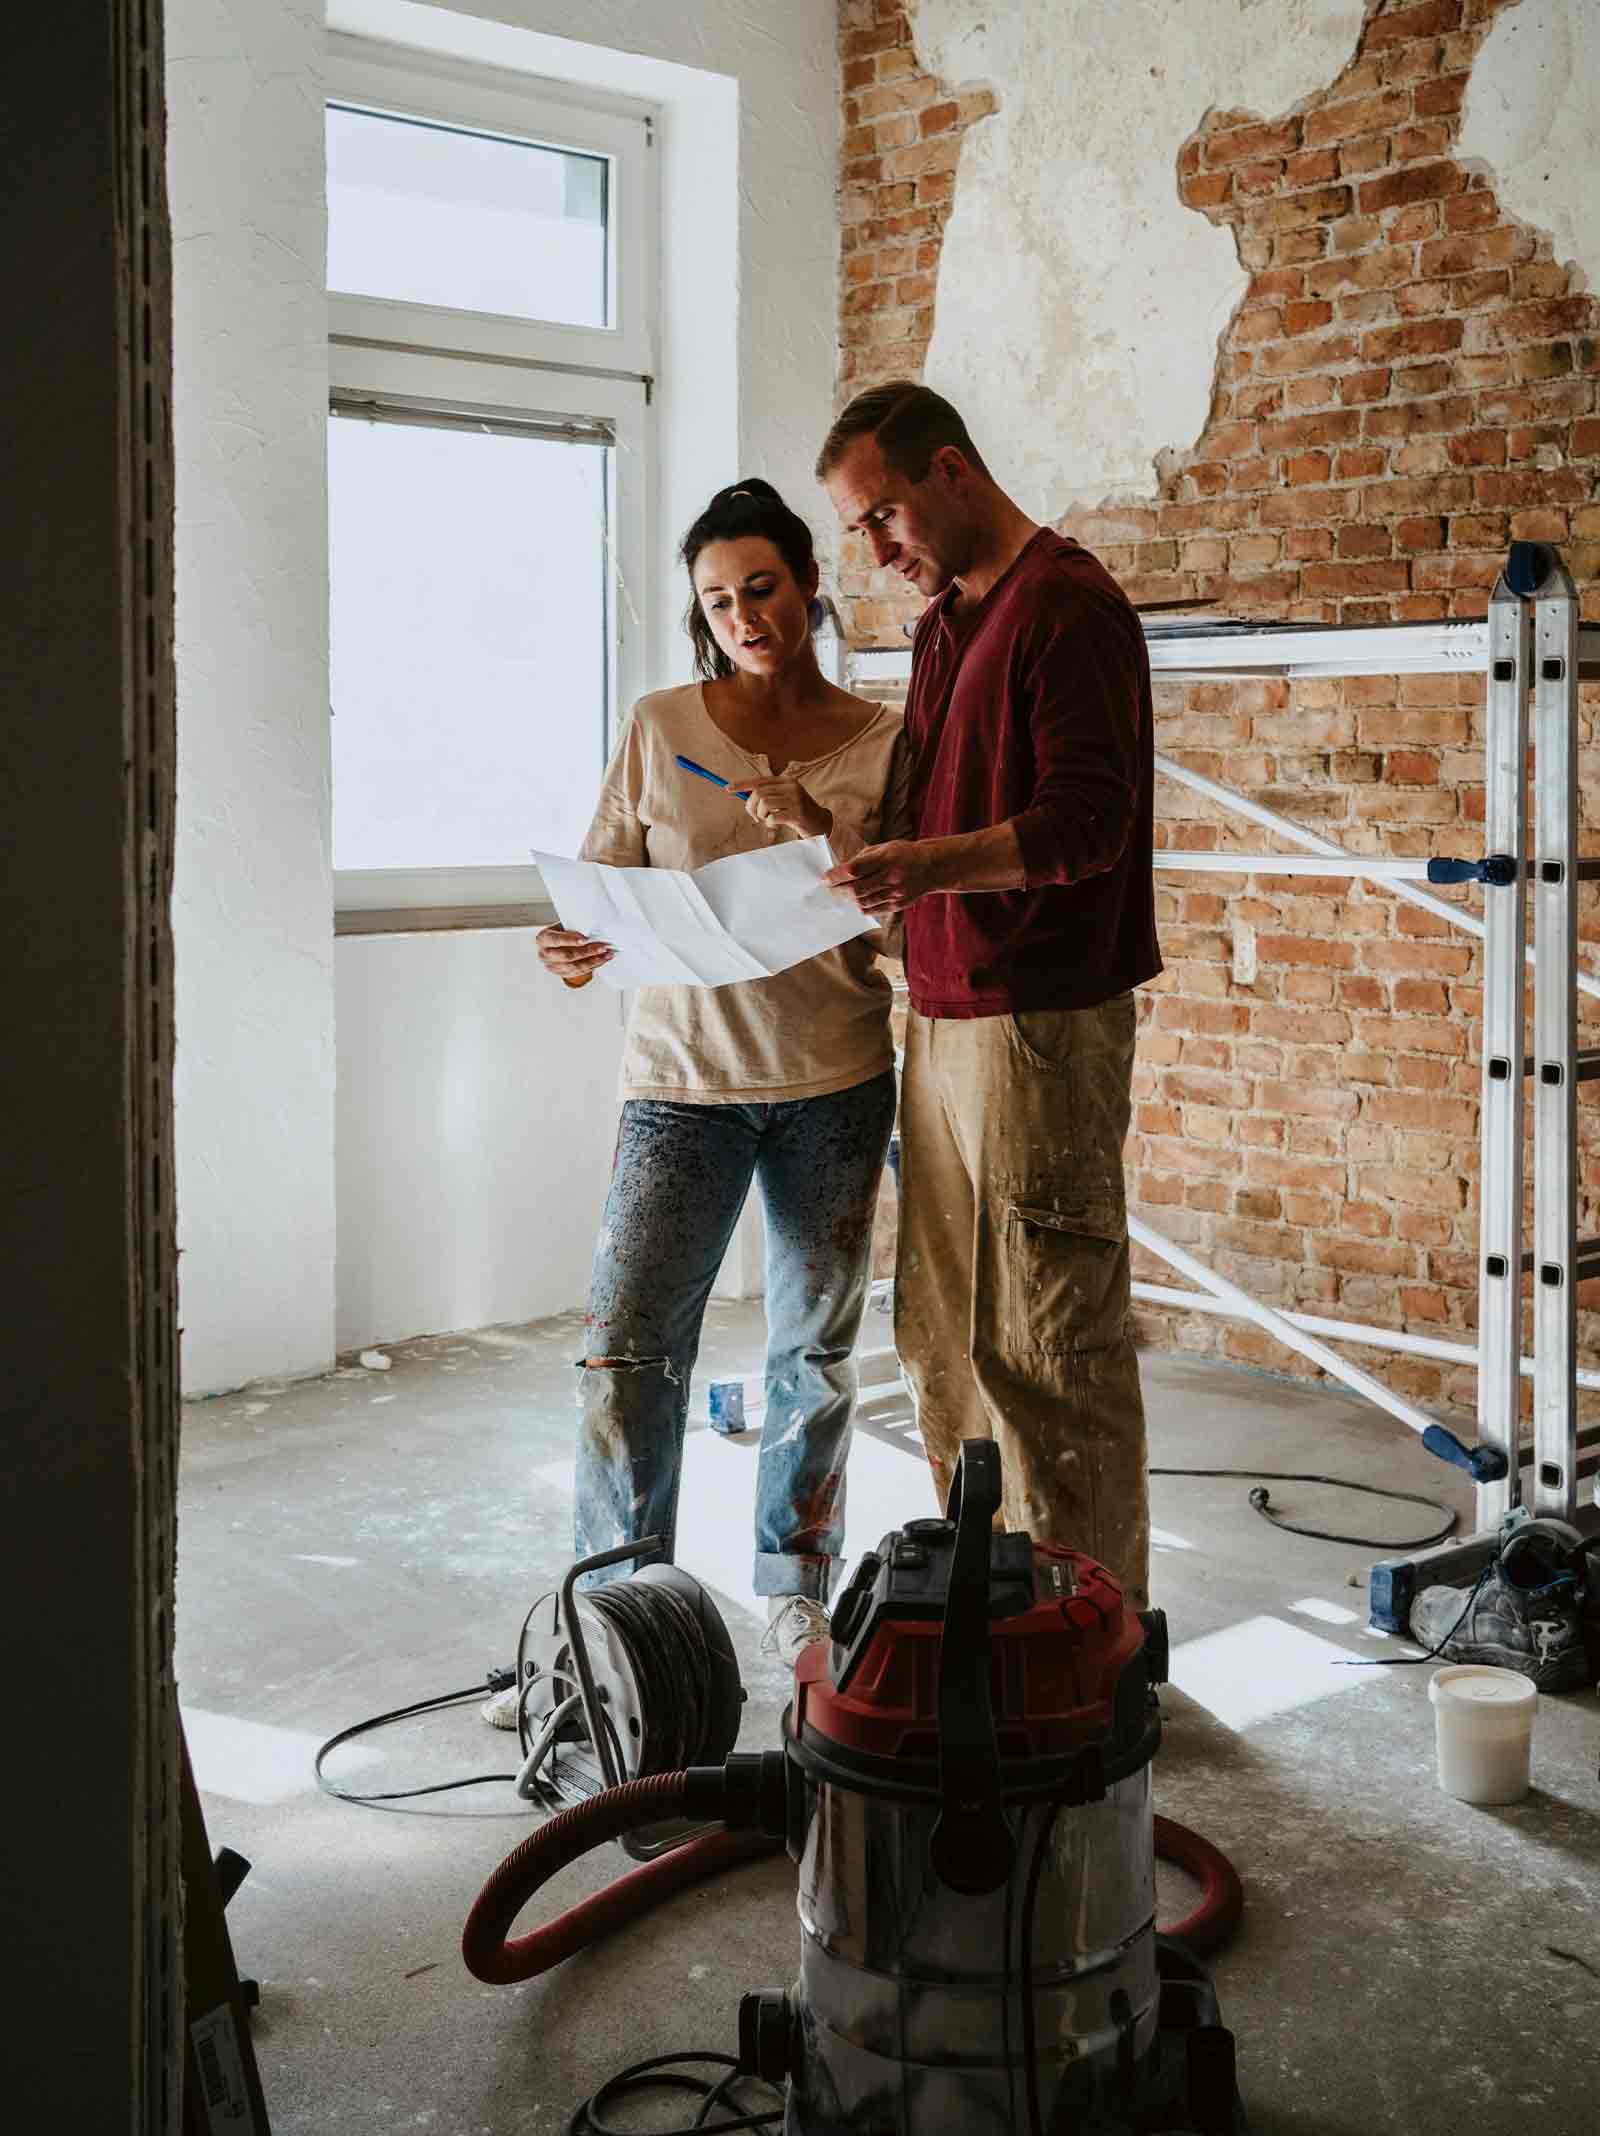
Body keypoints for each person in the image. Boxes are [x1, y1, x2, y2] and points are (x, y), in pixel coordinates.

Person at [521, 478, 909, 1683]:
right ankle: (620, 1625)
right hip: (679, 1082)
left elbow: (909, 924)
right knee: (629, 1349)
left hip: (835, 1078)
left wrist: (823, 837)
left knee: (816, 1348)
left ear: (805, 585)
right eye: (718, 598)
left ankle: (796, 1594)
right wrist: (570, 947)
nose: (743, 614)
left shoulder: (882, 740)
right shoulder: (659, 723)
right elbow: (602, 884)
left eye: (762, 587)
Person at [817, 382, 1160, 1609]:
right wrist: (842, 833)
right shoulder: (943, 624)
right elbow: (928, 816)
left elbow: (1086, 825)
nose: (876, 550)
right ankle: (997, 1618)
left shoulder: (1065, 603)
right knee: (944, 1343)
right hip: (945, 1011)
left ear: (952, 471)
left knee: (1044, 1348)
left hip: (1039, 1020)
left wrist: (928, 867)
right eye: (861, 530)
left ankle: (1092, 1644)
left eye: (885, 515)